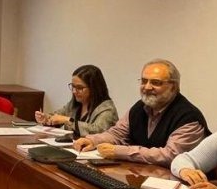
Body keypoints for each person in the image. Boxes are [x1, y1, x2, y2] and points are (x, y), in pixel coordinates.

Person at [73, 58, 208, 166]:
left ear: (173, 86)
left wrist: (120, 151)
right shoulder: (139, 107)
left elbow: (170, 155)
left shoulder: (188, 117)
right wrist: (93, 140)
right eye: (144, 81)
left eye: (156, 82)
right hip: (143, 175)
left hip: (179, 185)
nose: (147, 87)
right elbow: (117, 133)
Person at [34, 64, 118, 136]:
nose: (74, 91)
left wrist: (68, 120)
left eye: (80, 88)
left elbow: (97, 131)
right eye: (73, 86)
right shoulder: (75, 103)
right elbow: (58, 116)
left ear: (94, 88)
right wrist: (46, 119)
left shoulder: (107, 109)